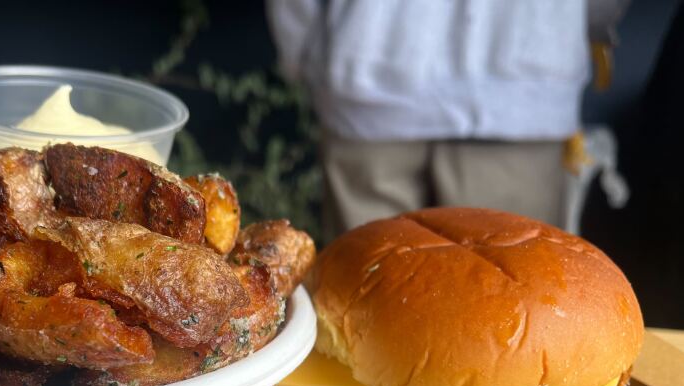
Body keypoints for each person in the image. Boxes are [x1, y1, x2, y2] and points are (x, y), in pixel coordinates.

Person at [267, 0, 629, 240]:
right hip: (524, 78)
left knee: (369, 304)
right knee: (509, 312)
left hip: (368, 67)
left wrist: (307, 59)